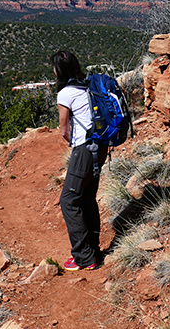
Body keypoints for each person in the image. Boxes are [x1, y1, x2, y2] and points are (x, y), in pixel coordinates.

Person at [50, 50, 108, 271]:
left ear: (60, 71)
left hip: (84, 149)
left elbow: (64, 129)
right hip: (101, 146)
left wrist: (74, 144)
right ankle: (94, 250)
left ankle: (84, 257)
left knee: (69, 200)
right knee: (87, 198)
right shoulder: (88, 87)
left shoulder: (65, 93)